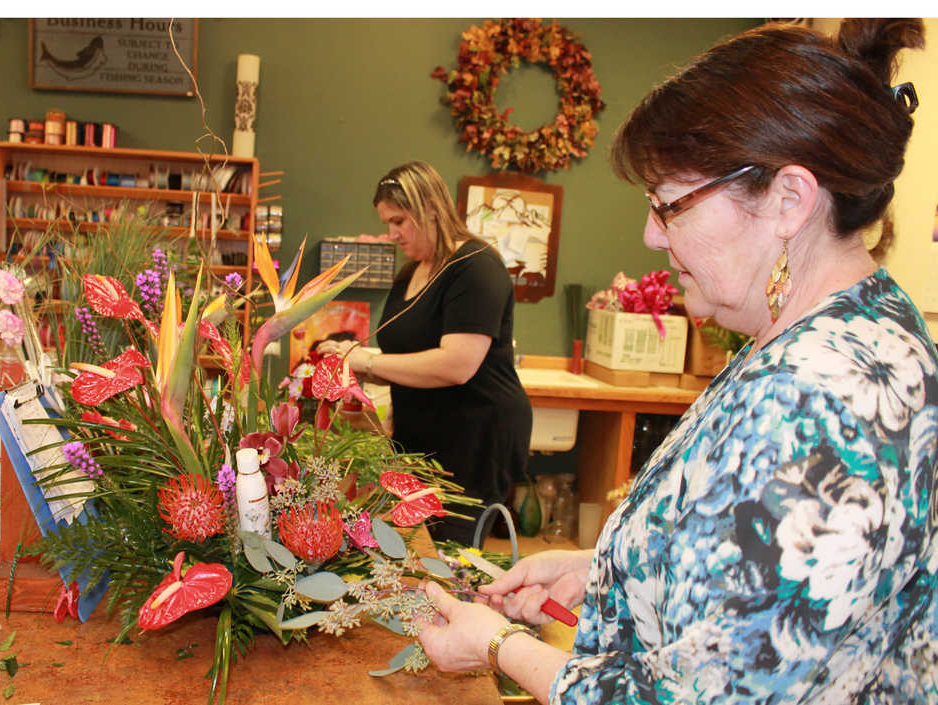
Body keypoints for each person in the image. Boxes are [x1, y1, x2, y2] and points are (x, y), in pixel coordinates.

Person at [415, 19, 938, 704]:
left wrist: (495, 644)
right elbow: (747, 571)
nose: (650, 233)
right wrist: (602, 568)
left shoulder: (824, 402)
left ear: (789, 199)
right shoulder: (824, 332)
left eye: (670, 206)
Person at [318, 160, 532, 544]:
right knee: (418, 547)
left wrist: (366, 359)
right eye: (387, 222)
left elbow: (456, 364)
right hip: (423, 435)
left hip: (473, 438)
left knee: (452, 550)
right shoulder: (411, 272)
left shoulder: (475, 268)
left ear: (431, 209)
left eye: (399, 221)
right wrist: (353, 360)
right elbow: (407, 357)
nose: (392, 233)